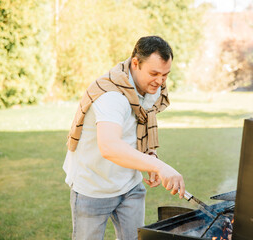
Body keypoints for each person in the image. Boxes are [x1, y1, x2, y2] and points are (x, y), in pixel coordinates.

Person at [62, 36, 185, 240]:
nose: (160, 81)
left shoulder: (151, 87)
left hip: (130, 186)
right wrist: (160, 167)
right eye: (154, 73)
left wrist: (150, 156)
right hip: (93, 187)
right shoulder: (111, 95)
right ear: (135, 63)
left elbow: (138, 125)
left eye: (165, 75)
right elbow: (110, 146)